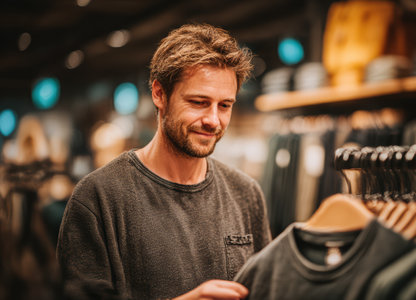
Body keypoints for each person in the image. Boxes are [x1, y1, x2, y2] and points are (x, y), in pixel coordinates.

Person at [57, 23, 272, 300]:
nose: (213, 120)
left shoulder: (246, 194)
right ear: (159, 94)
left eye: (225, 105)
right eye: (198, 102)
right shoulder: (98, 198)